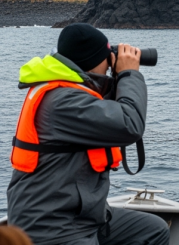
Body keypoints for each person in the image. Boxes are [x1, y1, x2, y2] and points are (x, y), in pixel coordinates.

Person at [6, 23, 169, 245]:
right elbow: (129, 124)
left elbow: (103, 108)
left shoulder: (71, 91)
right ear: (92, 61)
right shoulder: (63, 101)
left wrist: (116, 76)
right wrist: (129, 74)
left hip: (83, 217)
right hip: (51, 226)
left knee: (153, 231)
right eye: (107, 56)